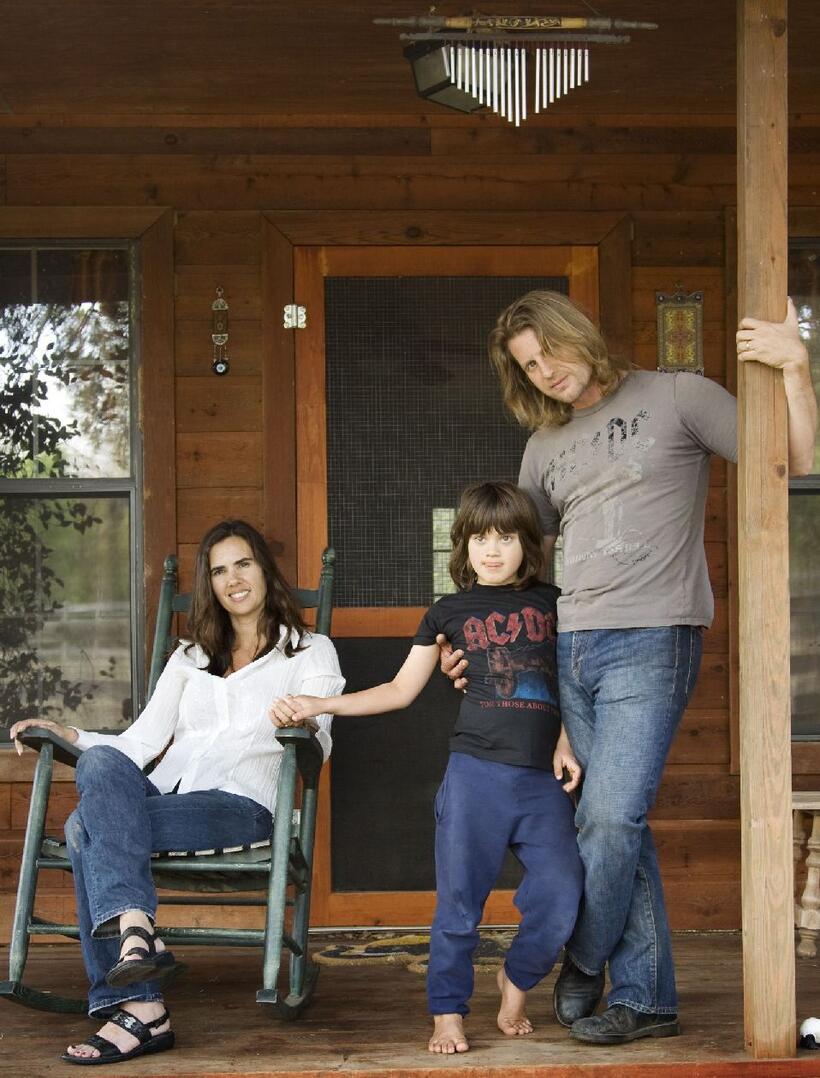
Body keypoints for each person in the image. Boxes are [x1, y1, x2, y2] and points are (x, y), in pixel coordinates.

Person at [439, 291, 817, 1046]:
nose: (545, 372)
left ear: (579, 334)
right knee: (619, 822)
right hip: (569, 644)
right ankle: (644, 998)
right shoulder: (545, 444)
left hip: (654, 635)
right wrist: (481, 651)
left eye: (549, 351)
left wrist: (797, 368)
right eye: (528, 366)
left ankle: (582, 957)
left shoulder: (679, 397)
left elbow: (796, 459)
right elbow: (519, 566)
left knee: (609, 818)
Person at [10, 520, 344, 1066]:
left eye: (243, 564)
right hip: (168, 796)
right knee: (99, 762)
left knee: (81, 827)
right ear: (209, 584)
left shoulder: (310, 651)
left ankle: (136, 1000)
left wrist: (302, 722)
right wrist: (72, 735)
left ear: (264, 569)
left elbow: (319, 744)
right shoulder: (189, 657)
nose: (233, 579)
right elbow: (139, 743)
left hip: (241, 806)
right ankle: (139, 941)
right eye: (219, 571)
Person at [271, 481, 584, 1056]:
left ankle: (515, 980)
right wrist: (319, 704)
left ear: (529, 546)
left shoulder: (555, 602)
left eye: (507, 538)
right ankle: (447, 1012)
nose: (493, 550)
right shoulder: (447, 611)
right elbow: (398, 689)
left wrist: (566, 739)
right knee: (459, 903)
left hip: (541, 779)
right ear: (460, 546)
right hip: (476, 777)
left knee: (564, 890)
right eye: (480, 538)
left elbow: (571, 685)